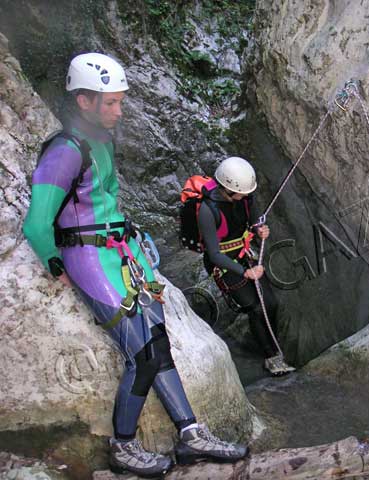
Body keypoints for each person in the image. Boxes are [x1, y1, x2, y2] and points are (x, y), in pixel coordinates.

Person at [22, 52, 248, 478]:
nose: (118, 110)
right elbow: (36, 223)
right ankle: (122, 446)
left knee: (158, 345)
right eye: (110, 102)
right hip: (90, 259)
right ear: (83, 101)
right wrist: (57, 264)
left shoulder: (101, 143)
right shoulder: (65, 151)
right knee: (141, 354)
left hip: (121, 256)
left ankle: (191, 434)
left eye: (119, 101)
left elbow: (103, 203)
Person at [199, 156, 296, 376]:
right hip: (224, 264)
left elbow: (253, 222)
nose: (246, 195)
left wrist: (260, 230)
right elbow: (214, 254)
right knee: (254, 307)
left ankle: (272, 342)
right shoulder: (207, 210)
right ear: (226, 189)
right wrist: (245, 272)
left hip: (243, 254)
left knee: (270, 303)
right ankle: (270, 357)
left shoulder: (244, 198)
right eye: (242, 192)